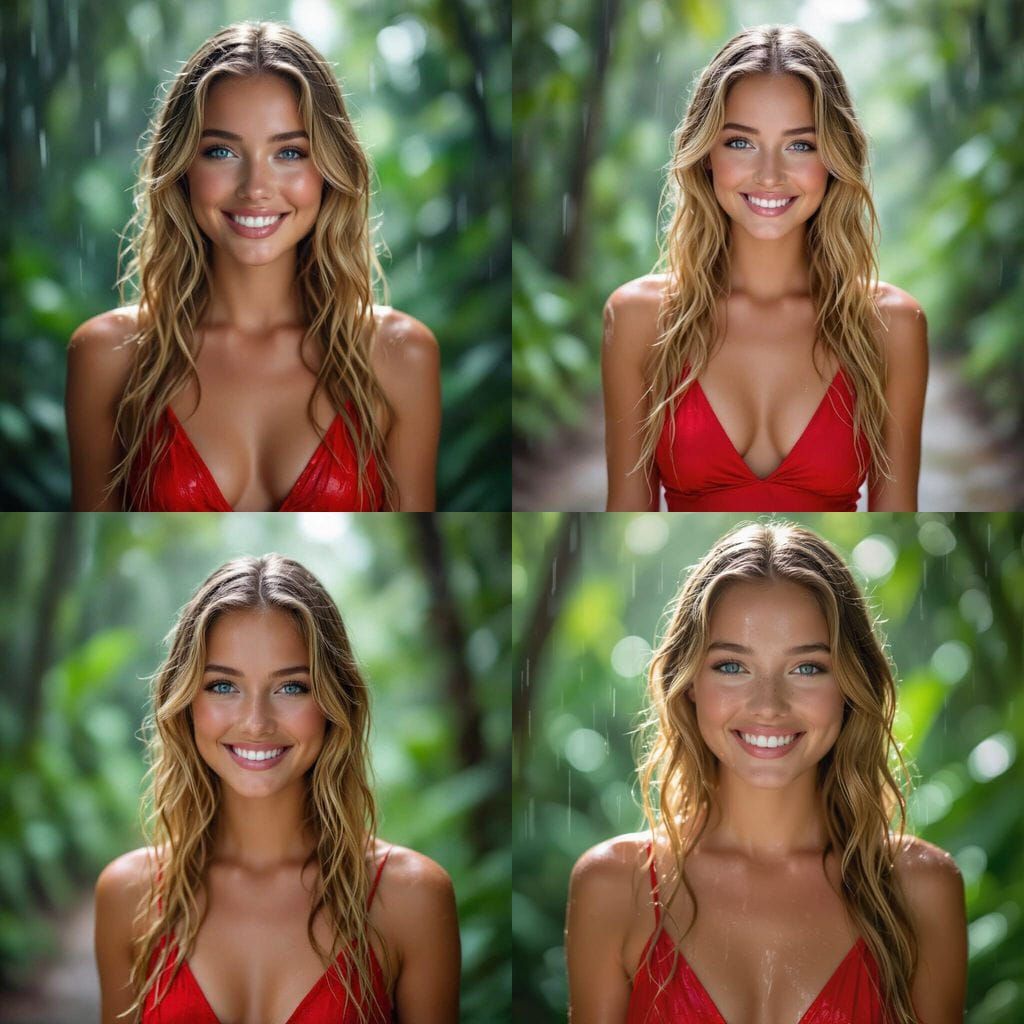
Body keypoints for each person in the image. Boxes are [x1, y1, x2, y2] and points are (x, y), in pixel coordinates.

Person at [567, 522, 966, 1023]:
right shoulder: (614, 886)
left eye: (807, 668)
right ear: (689, 683)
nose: (768, 706)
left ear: (850, 684)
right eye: (732, 666)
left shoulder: (919, 888)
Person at [67, 21, 440, 511]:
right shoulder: (107, 356)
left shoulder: (400, 357)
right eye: (221, 151)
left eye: (289, 152)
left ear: (329, 170)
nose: (255, 187)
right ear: (182, 168)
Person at [94, 554, 460, 1023]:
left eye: (291, 688)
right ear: (185, 702)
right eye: (223, 686)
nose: (255, 722)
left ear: (334, 701)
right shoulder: (128, 894)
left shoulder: (410, 897)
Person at [603, 25, 928, 512]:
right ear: (707, 153)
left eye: (800, 145)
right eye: (741, 143)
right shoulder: (637, 319)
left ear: (835, 159)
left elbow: (899, 512)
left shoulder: (892, 326)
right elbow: (625, 509)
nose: (770, 174)